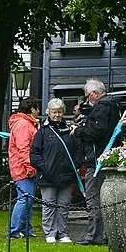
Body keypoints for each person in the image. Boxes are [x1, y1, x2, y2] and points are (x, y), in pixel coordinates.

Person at [70, 78, 122, 247]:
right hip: (108, 158)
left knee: (93, 198)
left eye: (87, 96)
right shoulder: (113, 105)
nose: (86, 101)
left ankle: (94, 236)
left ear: (95, 94)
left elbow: (94, 132)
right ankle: (108, 234)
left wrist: (78, 130)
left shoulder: (101, 107)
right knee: (108, 199)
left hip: (96, 160)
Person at [30, 98, 81, 244]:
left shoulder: (70, 130)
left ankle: (62, 232)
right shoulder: (42, 132)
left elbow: (78, 150)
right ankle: (50, 233)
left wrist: (75, 165)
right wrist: (44, 167)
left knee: (64, 206)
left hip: (67, 174)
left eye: (59, 112)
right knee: (49, 206)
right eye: (54, 112)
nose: (57, 115)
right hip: (48, 176)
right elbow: (34, 153)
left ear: (63, 113)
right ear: (49, 113)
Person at [7, 98, 39, 243]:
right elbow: (24, 148)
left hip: (20, 167)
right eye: (37, 109)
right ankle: (14, 230)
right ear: (32, 109)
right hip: (22, 169)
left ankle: (25, 229)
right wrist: (29, 167)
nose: (38, 112)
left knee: (27, 199)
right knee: (24, 199)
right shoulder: (24, 124)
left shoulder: (22, 123)